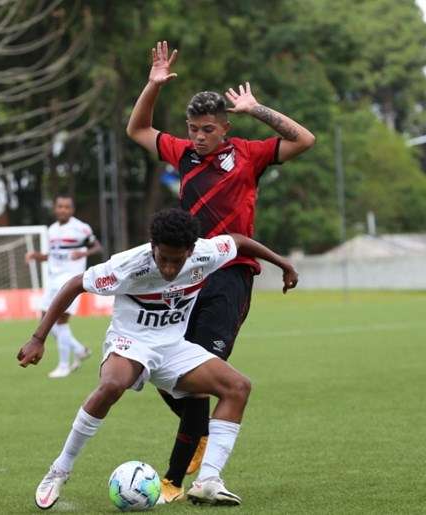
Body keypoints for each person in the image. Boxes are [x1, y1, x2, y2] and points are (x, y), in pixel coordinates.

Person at [126, 41, 316, 501]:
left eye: (207, 129)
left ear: (226, 127)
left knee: (202, 374)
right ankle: (199, 442)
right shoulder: (183, 155)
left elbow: (304, 139)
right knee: (166, 370)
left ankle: (174, 480)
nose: (198, 137)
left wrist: (258, 109)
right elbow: (137, 129)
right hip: (185, 279)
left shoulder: (248, 154)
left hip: (230, 276)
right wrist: (152, 85)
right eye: (193, 129)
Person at [18, 209, 298, 508]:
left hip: (173, 347)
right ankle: (59, 469)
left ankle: (208, 481)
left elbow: (239, 241)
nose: (168, 267)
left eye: (177, 260)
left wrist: (283, 264)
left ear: (191, 250)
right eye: (162, 258)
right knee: (113, 384)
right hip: (130, 343)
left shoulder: (205, 253)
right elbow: (75, 284)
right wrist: (38, 338)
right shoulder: (128, 265)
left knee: (238, 387)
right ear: (153, 247)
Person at [25, 194, 102, 378]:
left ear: (72, 210)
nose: (63, 210)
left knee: (60, 321)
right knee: (45, 322)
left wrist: (83, 254)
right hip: (53, 280)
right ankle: (79, 350)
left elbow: (98, 247)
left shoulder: (81, 228)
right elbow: (53, 255)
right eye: (60, 206)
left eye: (67, 207)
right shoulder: (51, 230)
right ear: (55, 208)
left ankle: (63, 365)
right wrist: (36, 256)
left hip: (70, 281)